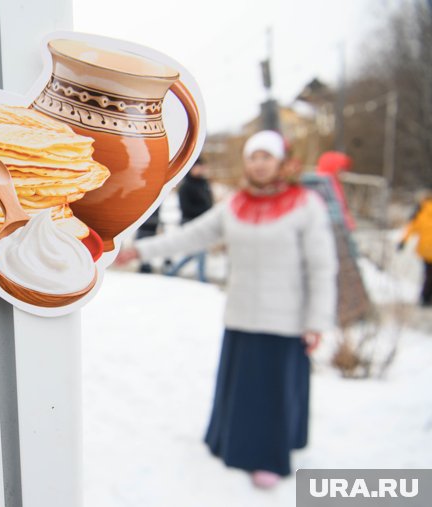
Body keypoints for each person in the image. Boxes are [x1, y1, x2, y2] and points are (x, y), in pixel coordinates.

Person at [117, 130, 337, 488]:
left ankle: (269, 457)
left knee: (273, 392)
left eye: (266, 156)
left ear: (282, 162)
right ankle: (229, 442)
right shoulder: (236, 204)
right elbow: (192, 235)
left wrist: (317, 321)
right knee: (243, 388)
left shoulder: (305, 204)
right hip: (242, 314)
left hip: (285, 319)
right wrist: (140, 251)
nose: (259, 164)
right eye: (253, 157)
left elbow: (322, 266)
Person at [165, 156, 214, 281]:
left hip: (204, 222)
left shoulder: (204, 184)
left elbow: (209, 202)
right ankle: (202, 279)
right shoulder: (186, 186)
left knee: (195, 252)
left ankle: (172, 272)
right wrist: (204, 211)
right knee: (200, 251)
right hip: (190, 222)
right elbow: (186, 208)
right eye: (199, 167)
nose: (201, 169)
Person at [399, 192, 432, 306]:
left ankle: (425, 298)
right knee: (429, 274)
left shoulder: (420, 211)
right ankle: (426, 298)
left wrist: (403, 241)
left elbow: (411, 228)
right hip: (427, 249)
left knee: (428, 274)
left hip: (425, 250)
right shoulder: (421, 211)